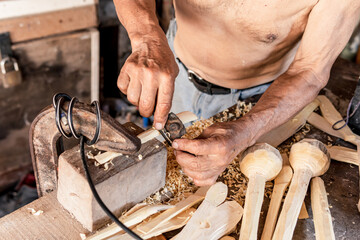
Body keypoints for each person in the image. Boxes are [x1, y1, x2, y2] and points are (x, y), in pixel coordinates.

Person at [114, 0, 360, 186]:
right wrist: (146, 38)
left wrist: (248, 130)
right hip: (176, 71)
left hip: (266, 101)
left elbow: (310, 72)